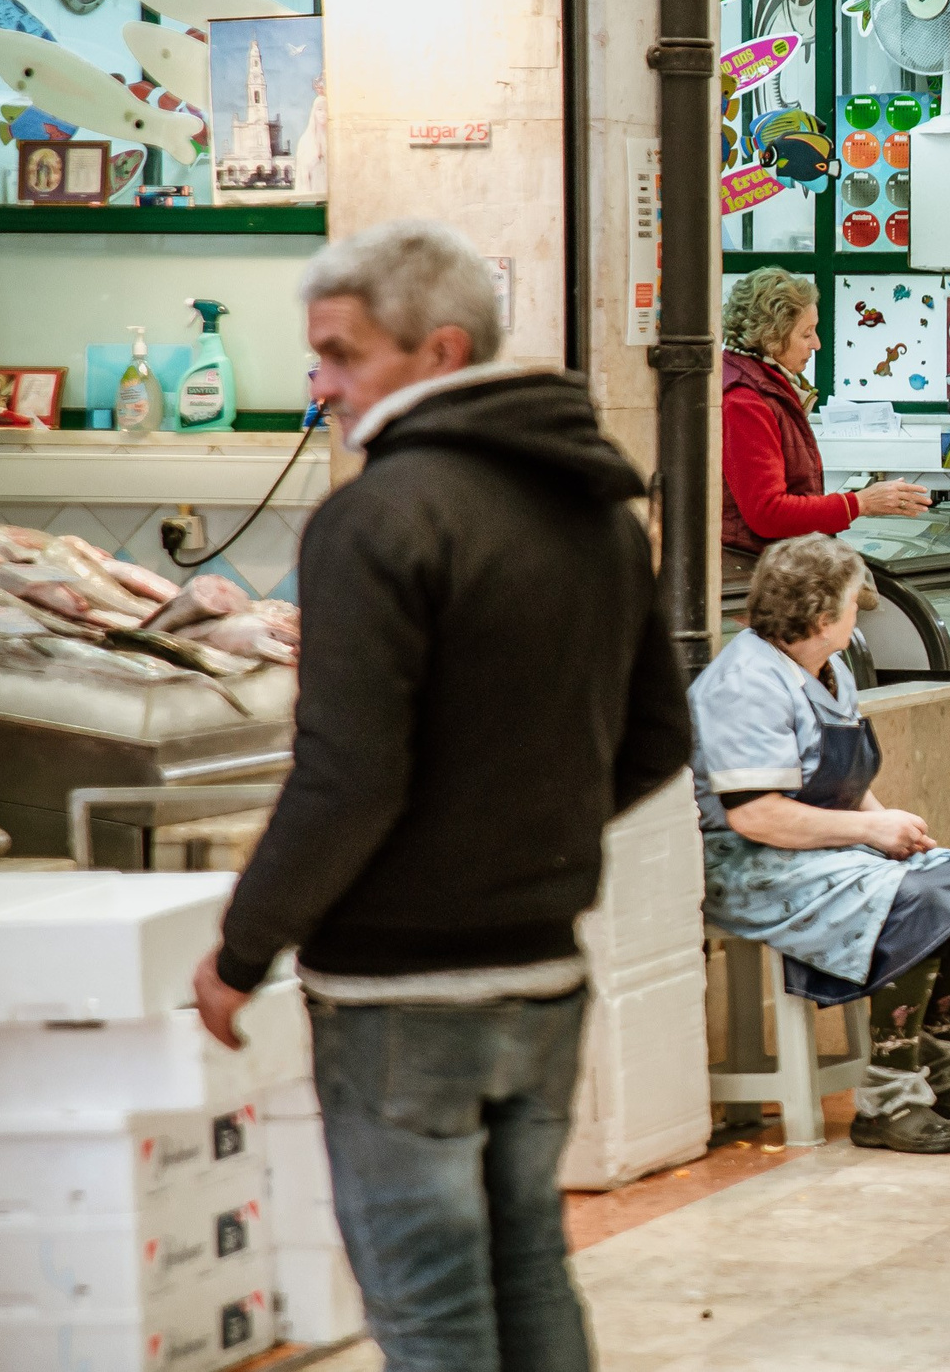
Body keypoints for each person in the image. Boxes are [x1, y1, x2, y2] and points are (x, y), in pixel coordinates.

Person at [190, 219, 693, 1372]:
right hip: (547, 970)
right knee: (529, 1271)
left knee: (427, 1311)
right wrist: (528, 835)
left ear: (439, 349)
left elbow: (347, 773)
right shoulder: (601, 515)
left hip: (400, 996)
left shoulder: (376, 516)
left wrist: (243, 946)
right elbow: (658, 736)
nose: (318, 384)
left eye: (341, 354)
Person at [690, 535, 950, 1154]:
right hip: (747, 863)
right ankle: (888, 1100)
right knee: (914, 903)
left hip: (817, 845)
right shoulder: (746, 683)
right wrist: (872, 831)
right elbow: (757, 815)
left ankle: (946, 1074)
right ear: (821, 618)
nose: (857, 614)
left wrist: (892, 827)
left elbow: (843, 781)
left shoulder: (829, 667)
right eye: (850, 604)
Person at [722, 267, 930, 580]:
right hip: (756, 576)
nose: (817, 344)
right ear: (771, 335)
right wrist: (859, 504)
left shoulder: (763, 383)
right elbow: (767, 513)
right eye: (806, 334)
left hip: (773, 566)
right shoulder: (744, 400)